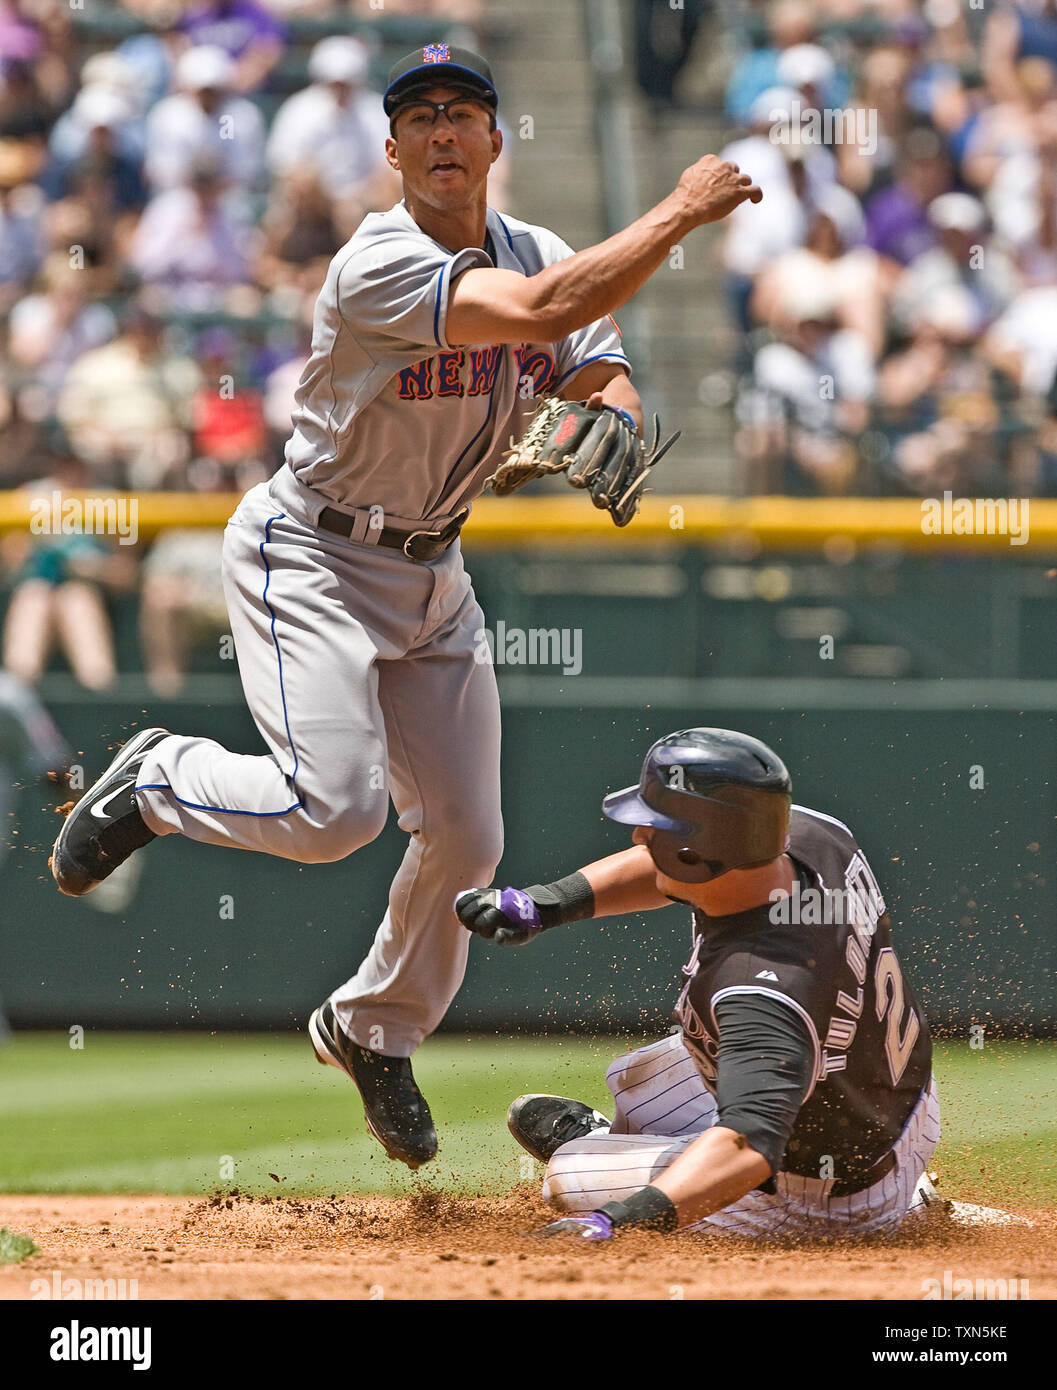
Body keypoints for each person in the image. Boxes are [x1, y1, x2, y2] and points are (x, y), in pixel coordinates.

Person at [49, 45, 761, 1171]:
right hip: (314, 555)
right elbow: (539, 310)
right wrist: (678, 209)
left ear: (492, 142)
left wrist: (610, 415)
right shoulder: (377, 262)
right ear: (390, 152)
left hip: (433, 574)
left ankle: (370, 1024)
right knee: (333, 814)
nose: (440, 131)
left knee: (470, 838)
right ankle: (160, 776)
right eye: (418, 115)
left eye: (462, 112)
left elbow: (590, 358)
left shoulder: (537, 243)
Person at [456, 728, 941, 1240]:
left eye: (654, 828)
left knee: (568, 1173)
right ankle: (895, 1186)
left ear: (693, 855)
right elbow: (669, 861)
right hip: (893, 1096)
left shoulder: (759, 987)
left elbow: (747, 1146)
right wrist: (546, 903)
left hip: (829, 1192)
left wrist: (620, 1221)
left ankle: (902, 1210)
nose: (639, 836)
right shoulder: (809, 837)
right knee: (638, 1081)